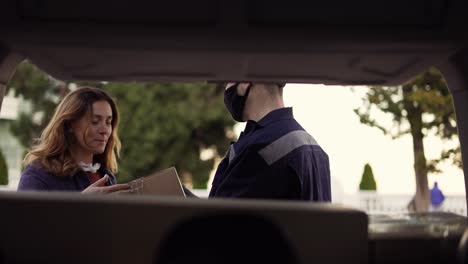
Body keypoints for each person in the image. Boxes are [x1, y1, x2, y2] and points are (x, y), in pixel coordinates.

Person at [209, 82, 331, 201]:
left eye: (229, 81)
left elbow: (220, 218)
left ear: (245, 82)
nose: (227, 88)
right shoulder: (315, 148)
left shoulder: (258, 149)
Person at [18, 87, 130, 194]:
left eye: (108, 122)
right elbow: (23, 214)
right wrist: (80, 204)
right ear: (70, 124)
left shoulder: (106, 175)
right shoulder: (38, 175)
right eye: (95, 121)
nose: (105, 130)